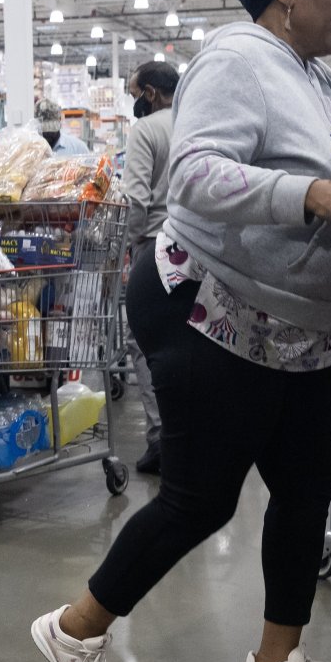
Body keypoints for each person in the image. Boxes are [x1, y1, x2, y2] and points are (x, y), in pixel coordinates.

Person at [30, 0, 331, 662]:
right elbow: (193, 177)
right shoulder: (238, 57)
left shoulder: (319, 78)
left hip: (297, 328)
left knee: (305, 489)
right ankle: (75, 627)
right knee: (202, 496)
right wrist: (313, 194)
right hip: (211, 306)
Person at [121, 60, 180, 476]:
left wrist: (129, 243)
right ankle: (193, 433)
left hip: (155, 249)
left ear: (151, 93)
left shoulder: (145, 131)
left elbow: (136, 199)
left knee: (143, 341)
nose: (133, 103)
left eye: (134, 94)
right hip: (199, 246)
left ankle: (162, 438)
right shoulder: (197, 122)